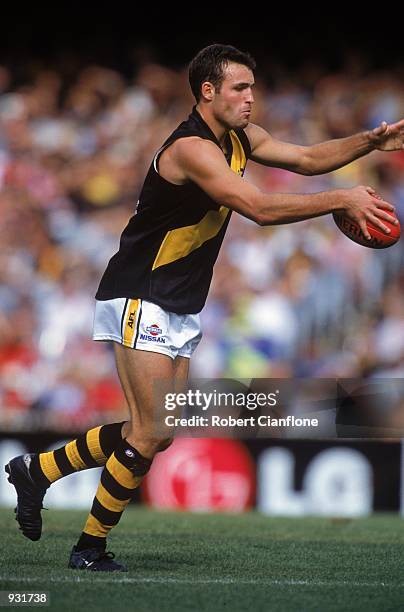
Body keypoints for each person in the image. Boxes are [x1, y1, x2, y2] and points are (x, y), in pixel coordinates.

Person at [5, 44, 404, 572]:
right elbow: (258, 208)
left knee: (160, 431)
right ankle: (89, 548)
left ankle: (39, 470)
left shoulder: (240, 138)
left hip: (178, 304)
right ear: (208, 92)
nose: (250, 98)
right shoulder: (191, 148)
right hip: (139, 295)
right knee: (148, 431)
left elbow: (306, 159)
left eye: (253, 88)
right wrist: (340, 199)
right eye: (240, 88)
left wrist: (369, 142)